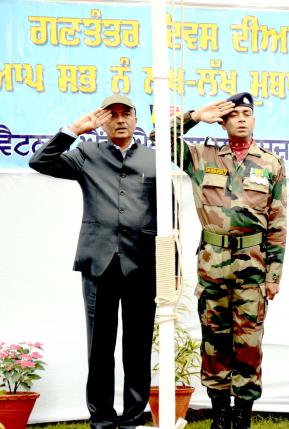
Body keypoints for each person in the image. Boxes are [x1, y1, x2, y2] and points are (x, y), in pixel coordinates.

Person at [153, 92, 286, 429]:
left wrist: (274, 274)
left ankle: (242, 414)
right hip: (213, 263)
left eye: (247, 114)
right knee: (214, 337)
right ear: (223, 121)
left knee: (249, 340)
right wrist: (196, 116)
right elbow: (159, 139)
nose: (242, 118)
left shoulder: (270, 164)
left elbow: (278, 222)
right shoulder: (202, 156)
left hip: (253, 266)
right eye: (235, 114)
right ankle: (220, 412)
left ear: (254, 120)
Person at [29, 95, 157, 429]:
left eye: (125, 113)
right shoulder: (87, 154)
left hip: (142, 266)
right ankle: (101, 418)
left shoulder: (153, 160)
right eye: (111, 114)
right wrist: (74, 130)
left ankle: (133, 418)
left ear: (135, 118)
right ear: (102, 120)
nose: (119, 120)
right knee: (100, 348)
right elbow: (40, 162)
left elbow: (165, 216)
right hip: (98, 263)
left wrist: (167, 266)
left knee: (138, 347)